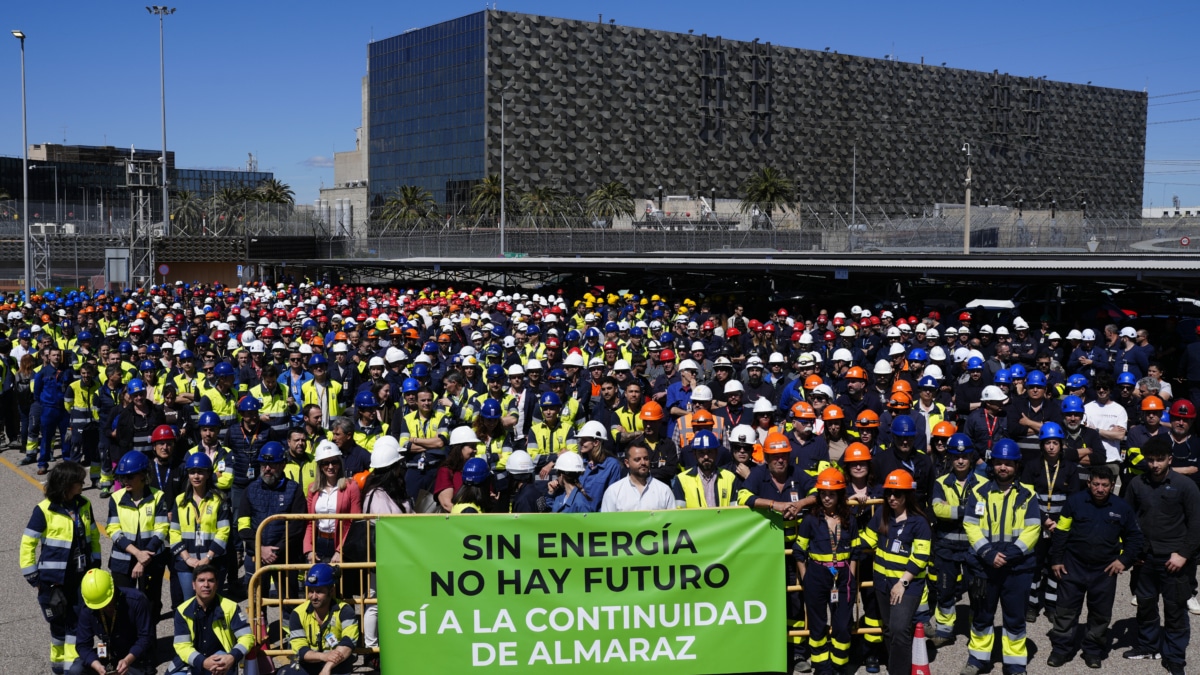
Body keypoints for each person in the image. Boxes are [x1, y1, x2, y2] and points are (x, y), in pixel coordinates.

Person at [1046, 465, 1143, 669]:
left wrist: (1123, 561)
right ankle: (1061, 649)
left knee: (1100, 613)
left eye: (1105, 485)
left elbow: (1134, 537)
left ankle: (1092, 650)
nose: (1100, 489)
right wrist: (1056, 560)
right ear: (1089, 483)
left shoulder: (1121, 507)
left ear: (1111, 486)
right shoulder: (1075, 502)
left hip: (1104, 570)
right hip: (1073, 566)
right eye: (1096, 484)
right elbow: (1061, 532)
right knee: (1066, 611)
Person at [960, 438, 1041, 675]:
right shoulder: (979, 492)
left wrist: (1008, 555)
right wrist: (988, 553)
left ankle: (1015, 664)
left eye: (1008, 463)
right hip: (984, 567)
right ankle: (977, 659)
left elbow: (1033, 528)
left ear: (1017, 466)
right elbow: (971, 525)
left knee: (1015, 618)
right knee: (982, 616)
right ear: (992, 464)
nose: (1003, 467)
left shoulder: (1028, 495)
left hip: (1017, 568)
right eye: (999, 463)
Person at [1123, 435, 1200, 674]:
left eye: (1159, 460)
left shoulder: (1186, 486)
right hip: (1145, 558)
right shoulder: (1137, 484)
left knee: (1175, 609)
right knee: (1145, 605)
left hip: (1174, 559)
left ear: (1170, 459)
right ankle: (1148, 645)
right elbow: (1128, 519)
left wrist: (1183, 555)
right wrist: (1133, 552)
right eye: (1151, 460)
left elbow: (1197, 524)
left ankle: (1175, 656)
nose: (1155, 464)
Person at [20, 461, 101, 675]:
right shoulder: (44, 510)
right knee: (57, 626)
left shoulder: (84, 504)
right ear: (66, 484)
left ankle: (70, 669)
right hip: (52, 581)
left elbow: (93, 535)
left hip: (79, 578)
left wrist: (96, 563)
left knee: (76, 624)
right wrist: (34, 578)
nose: (82, 484)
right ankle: (57, 666)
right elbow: (28, 543)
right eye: (78, 481)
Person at [860, 470, 932, 675]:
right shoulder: (882, 515)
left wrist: (902, 583)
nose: (892, 497)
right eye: (889, 493)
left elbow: (920, 557)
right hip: (882, 583)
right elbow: (867, 540)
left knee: (900, 630)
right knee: (890, 630)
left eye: (897, 493)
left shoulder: (919, 522)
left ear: (908, 495)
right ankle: (895, 666)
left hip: (905, 586)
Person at [795, 468, 861, 675]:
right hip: (816, 575)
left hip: (842, 578)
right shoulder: (810, 521)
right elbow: (799, 552)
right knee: (817, 625)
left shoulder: (850, 520)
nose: (826, 498)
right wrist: (806, 578)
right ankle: (822, 668)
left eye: (831, 493)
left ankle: (838, 666)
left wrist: (850, 576)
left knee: (842, 624)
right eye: (823, 493)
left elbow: (856, 552)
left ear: (840, 495)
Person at [361, 436, 413, 657]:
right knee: (374, 601)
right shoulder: (378, 496)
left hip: (397, 557)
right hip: (383, 557)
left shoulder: (394, 492)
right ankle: (372, 648)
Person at [929, 433, 981, 648]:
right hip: (946, 548)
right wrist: (967, 510)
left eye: (965, 457)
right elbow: (937, 509)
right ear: (950, 458)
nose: (960, 461)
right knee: (945, 590)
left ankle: (976, 632)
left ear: (970, 458)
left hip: (973, 547)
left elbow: (985, 513)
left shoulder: (983, 483)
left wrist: (954, 511)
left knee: (978, 592)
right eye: (956, 457)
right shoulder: (941, 482)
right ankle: (944, 631)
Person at [236, 441, 306, 602]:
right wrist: (260, 548)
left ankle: (289, 628)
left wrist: (275, 551)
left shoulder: (294, 490)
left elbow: (296, 527)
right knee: (258, 604)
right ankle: (261, 628)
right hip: (256, 556)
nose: (267, 469)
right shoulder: (250, 489)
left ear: (282, 465)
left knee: (288, 603)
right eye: (264, 464)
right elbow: (243, 525)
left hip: (286, 557)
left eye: (272, 465)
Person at [106, 450, 170, 622]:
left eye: (130, 476)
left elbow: (162, 528)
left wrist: (145, 556)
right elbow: (113, 529)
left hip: (152, 562)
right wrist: (137, 554)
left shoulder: (158, 496)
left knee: (150, 606)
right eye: (122, 477)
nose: (125, 481)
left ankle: (149, 646)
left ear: (143, 475)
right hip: (122, 562)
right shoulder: (116, 498)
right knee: (123, 607)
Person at [169, 564, 254, 675]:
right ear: (194, 585)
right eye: (201, 580)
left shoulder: (230, 607)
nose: (206, 585)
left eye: (210, 581)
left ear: (217, 584)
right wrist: (203, 661)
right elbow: (182, 646)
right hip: (190, 661)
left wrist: (232, 657)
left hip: (221, 660)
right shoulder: (182, 610)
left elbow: (247, 637)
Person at [170, 453, 231, 599]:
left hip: (213, 562)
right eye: (192, 472)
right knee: (190, 602)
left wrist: (209, 557)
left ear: (208, 474)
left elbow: (224, 531)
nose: (196, 476)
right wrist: (187, 558)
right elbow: (174, 532)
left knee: (213, 602)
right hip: (186, 563)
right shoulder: (180, 500)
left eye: (200, 472)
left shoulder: (219, 499)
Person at [280, 563, 360, 675]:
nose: (313, 596)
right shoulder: (298, 613)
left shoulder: (345, 611)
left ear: (331, 591)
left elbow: (348, 644)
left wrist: (327, 668)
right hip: (309, 664)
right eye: (311, 591)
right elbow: (301, 650)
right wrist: (324, 656)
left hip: (336, 665)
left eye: (319, 591)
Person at [73, 568, 154, 675]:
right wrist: (96, 665)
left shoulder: (137, 600)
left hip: (132, 655)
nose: (105, 607)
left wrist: (127, 660)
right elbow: (82, 644)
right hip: (107, 653)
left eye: (107, 603)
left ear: (113, 589)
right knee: (76, 670)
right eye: (99, 605)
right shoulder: (88, 608)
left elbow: (145, 637)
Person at [304, 440, 362, 565]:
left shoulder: (351, 487)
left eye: (334, 462)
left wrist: (341, 550)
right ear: (320, 466)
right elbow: (310, 522)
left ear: (340, 463)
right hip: (319, 542)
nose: (330, 467)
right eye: (325, 463)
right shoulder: (312, 489)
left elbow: (354, 522)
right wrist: (308, 549)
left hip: (343, 543)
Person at [600, 441, 676, 512]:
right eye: (637, 459)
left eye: (646, 458)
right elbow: (607, 524)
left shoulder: (664, 490)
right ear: (627, 463)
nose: (643, 462)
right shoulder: (613, 492)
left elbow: (672, 522)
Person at [671, 430, 740, 507]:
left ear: (716, 452)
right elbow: (679, 513)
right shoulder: (682, 480)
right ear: (694, 454)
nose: (706, 457)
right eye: (701, 452)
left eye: (710, 452)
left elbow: (735, 512)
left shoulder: (730, 478)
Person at [435, 426, 482, 512]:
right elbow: (446, 504)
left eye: (475, 446)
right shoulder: (446, 471)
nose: (475, 450)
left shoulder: (477, 469)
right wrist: (467, 515)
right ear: (459, 448)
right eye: (472, 447)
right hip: (456, 522)